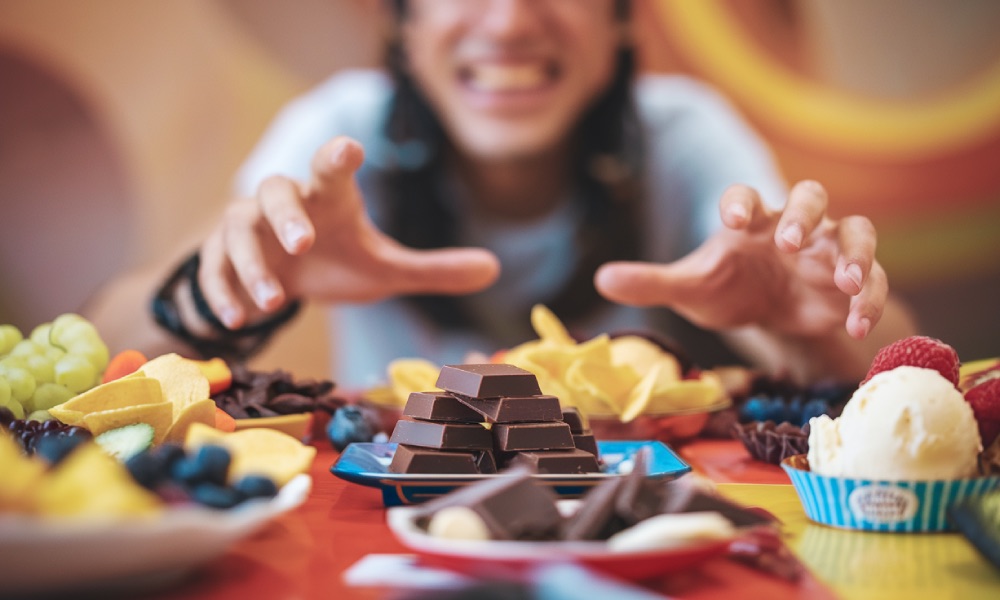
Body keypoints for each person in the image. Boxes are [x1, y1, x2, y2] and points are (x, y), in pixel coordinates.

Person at [85, 0, 915, 389]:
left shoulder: (685, 131)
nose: (511, 21)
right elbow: (101, 348)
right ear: (402, 26)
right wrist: (227, 292)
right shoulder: (340, 131)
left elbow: (898, 373)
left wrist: (807, 328)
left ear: (621, 19)